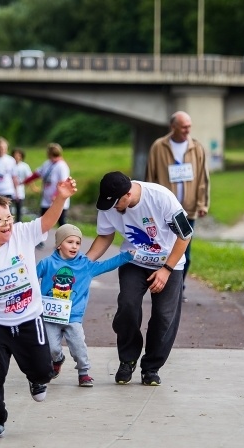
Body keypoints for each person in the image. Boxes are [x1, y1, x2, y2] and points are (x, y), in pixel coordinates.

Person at [0, 176, 77, 441]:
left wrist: (61, 197)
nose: (6, 224)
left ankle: (38, 377)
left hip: (29, 320)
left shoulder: (22, 234)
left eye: (8, 218)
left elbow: (48, 221)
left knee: (41, 371)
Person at [85, 171, 191, 386]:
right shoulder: (109, 204)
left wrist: (167, 269)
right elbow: (105, 235)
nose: (113, 208)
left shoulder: (161, 197)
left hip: (168, 263)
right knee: (128, 305)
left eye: (116, 203)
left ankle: (151, 368)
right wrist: (84, 265)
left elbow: (185, 235)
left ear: (128, 194)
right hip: (134, 260)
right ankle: (127, 359)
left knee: (164, 317)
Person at [36, 224, 132, 387]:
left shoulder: (85, 265)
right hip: (50, 316)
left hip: (73, 316)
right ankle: (57, 360)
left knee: (79, 348)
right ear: (59, 244)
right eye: (70, 242)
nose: (74, 246)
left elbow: (106, 265)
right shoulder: (47, 263)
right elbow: (31, 277)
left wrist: (126, 256)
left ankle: (83, 372)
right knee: (51, 347)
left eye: (77, 243)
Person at [144, 111, 210, 302]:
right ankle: (164, 284)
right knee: (164, 248)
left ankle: (179, 286)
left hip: (187, 209)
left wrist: (202, 203)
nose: (188, 130)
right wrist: (148, 204)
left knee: (185, 253)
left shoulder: (196, 147)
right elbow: (150, 176)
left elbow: (203, 179)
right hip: (163, 210)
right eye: (184, 127)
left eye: (189, 126)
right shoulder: (159, 146)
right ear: (173, 127)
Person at [24, 143, 71, 248]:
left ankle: (66, 242)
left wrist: (56, 195)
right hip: (46, 200)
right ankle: (38, 241)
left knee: (61, 221)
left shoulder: (62, 166)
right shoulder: (47, 164)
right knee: (42, 221)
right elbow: (37, 174)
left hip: (58, 200)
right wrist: (26, 181)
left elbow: (63, 183)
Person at [11, 148, 30, 222]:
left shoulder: (24, 166)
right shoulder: (10, 165)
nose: (16, 157)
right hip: (10, 190)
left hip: (20, 190)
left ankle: (18, 224)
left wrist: (32, 187)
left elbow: (29, 178)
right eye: (15, 155)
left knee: (19, 210)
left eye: (18, 155)